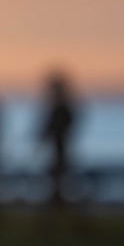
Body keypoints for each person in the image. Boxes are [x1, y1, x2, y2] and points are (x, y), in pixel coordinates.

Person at [39, 71, 75, 207]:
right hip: (58, 147)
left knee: (58, 173)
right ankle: (57, 198)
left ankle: (58, 199)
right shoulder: (59, 107)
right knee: (57, 174)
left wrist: (48, 134)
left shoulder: (61, 108)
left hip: (60, 147)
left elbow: (57, 126)